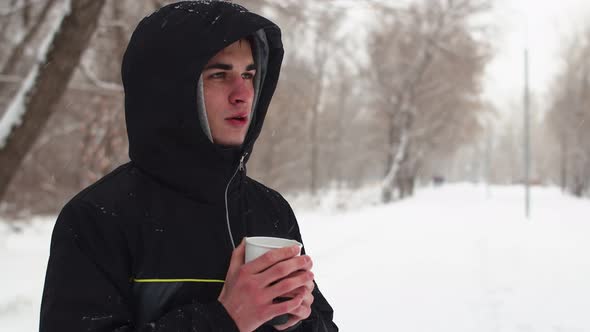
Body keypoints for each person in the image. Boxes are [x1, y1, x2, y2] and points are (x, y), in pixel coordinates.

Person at [39, 1, 338, 331]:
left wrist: (300, 320)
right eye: (219, 75)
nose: (243, 94)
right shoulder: (98, 219)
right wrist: (223, 319)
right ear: (171, 89)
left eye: (249, 75)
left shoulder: (270, 210)